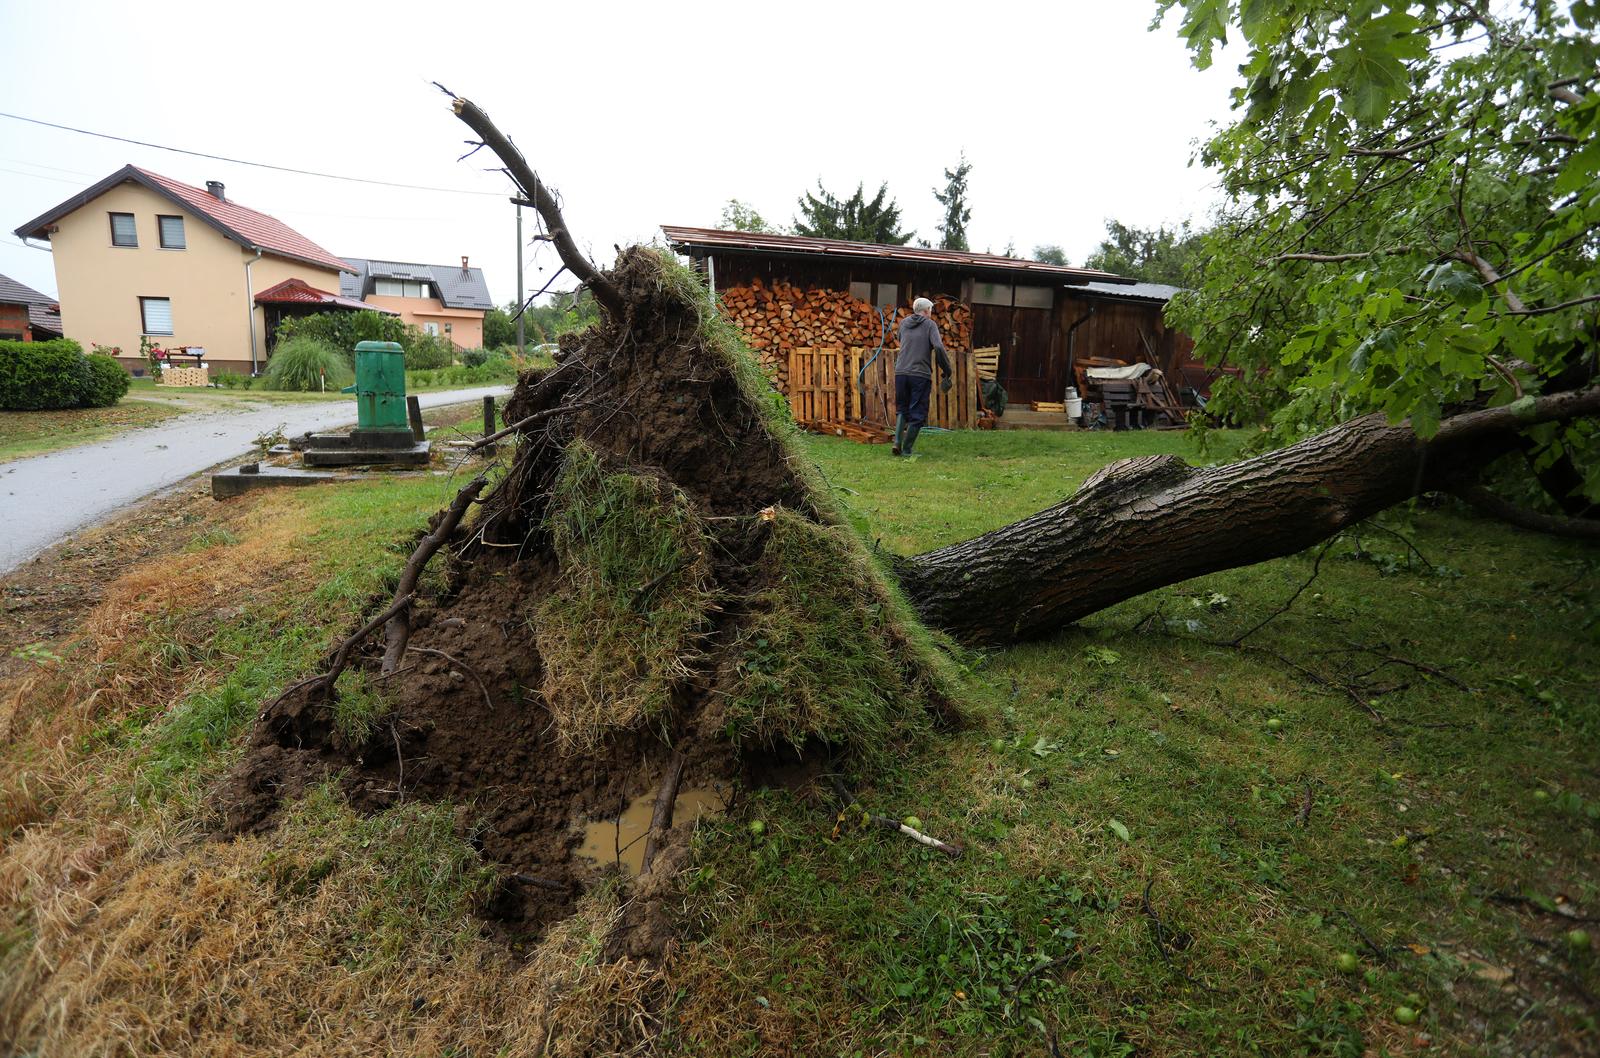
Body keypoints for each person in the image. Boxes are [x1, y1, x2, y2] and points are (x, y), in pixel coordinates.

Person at [892, 297, 955, 457]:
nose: (931, 314)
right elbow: (939, 347)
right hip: (919, 374)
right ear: (926, 311)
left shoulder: (904, 323)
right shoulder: (930, 325)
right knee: (918, 412)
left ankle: (897, 443)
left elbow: (901, 339)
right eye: (931, 311)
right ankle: (906, 450)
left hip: (901, 372)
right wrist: (947, 370)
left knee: (902, 409)